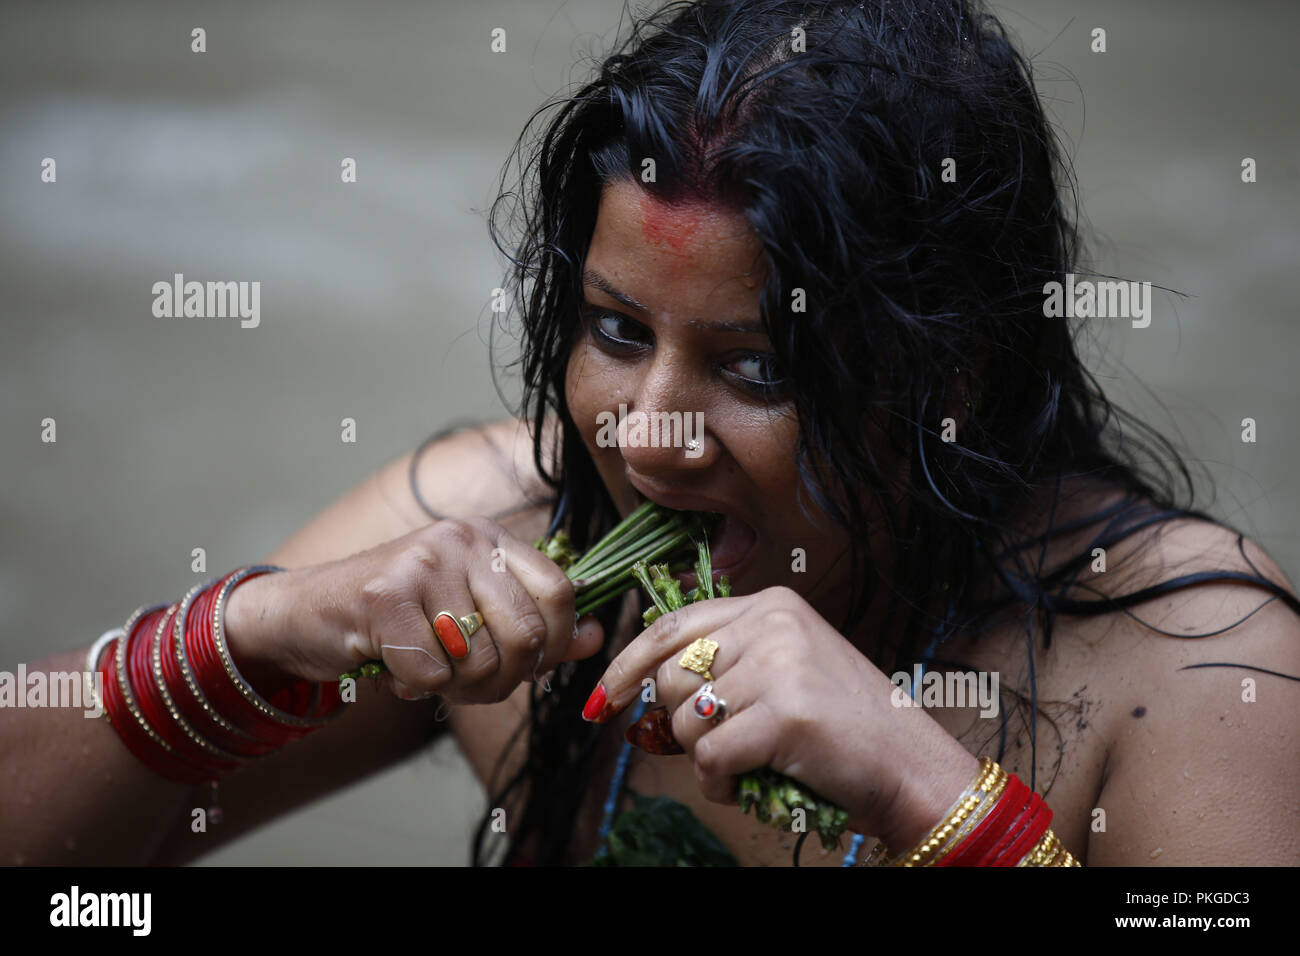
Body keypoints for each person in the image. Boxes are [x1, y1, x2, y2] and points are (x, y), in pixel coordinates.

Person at [3, 0, 1298, 868]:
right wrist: (254, 638)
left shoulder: (1182, 669)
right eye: (619, 332)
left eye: (756, 365)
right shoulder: (492, 556)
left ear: (947, 373)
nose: (654, 432)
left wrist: (922, 791)